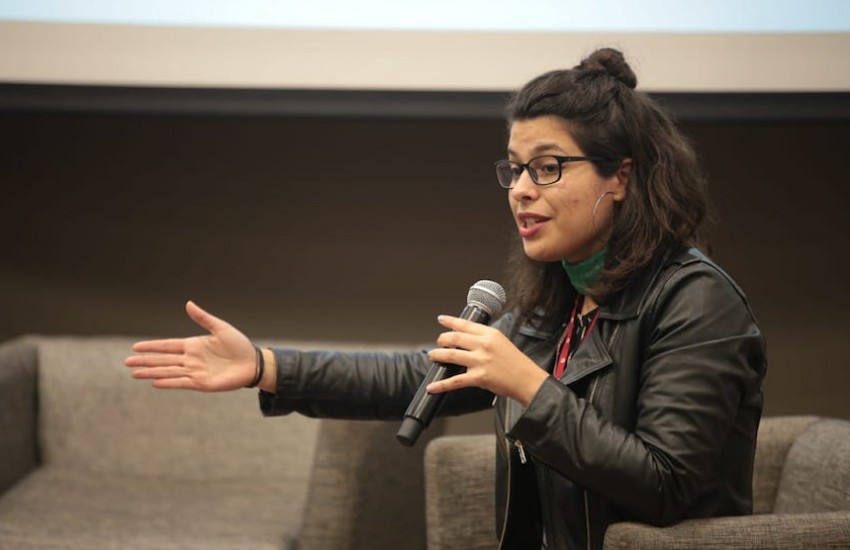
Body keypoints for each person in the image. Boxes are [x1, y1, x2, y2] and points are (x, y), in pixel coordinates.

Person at [126, 47, 766, 549]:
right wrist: (265, 367)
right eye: (513, 168)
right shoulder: (569, 296)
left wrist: (530, 388)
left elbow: (665, 485)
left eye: (547, 167)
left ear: (620, 176)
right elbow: (421, 375)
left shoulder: (696, 301)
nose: (520, 189)